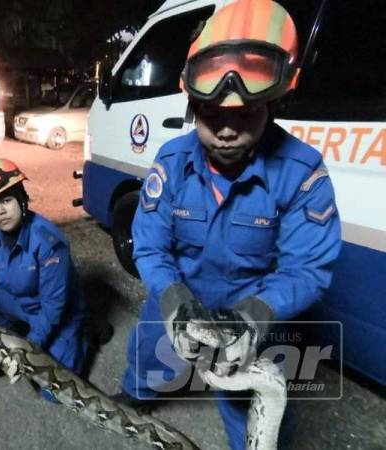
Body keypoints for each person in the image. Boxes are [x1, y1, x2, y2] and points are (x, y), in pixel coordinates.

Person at [114, 0, 342, 448]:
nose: (225, 130)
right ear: (193, 105)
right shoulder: (172, 162)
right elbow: (151, 247)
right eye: (212, 113)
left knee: (250, 414)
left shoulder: (302, 173)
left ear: (272, 104)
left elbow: (306, 269)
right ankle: (136, 393)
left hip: (249, 308)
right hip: (180, 290)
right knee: (147, 350)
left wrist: (255, 317)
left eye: (244, 115)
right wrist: (174, 298)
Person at [0, 158, 89, 401]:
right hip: (18, 301)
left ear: (22, 200)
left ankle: (86, 334)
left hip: (53, 313)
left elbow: (53, 309)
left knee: (53, 395)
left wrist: (24, 352)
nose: (0, 211)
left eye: (6, 200)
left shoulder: (48, 243)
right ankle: (12, 331)